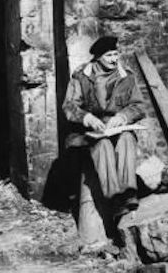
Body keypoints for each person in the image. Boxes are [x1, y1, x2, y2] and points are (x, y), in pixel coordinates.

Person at [62, 35, 145, 220]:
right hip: (89, 131)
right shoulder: (82, 75)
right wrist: (87, 117)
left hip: (117, 127)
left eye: (116, 54)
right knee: (103, 145)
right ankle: (114, 199)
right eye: (109, 55)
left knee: (127, 139)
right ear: (98, 57)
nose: (115, 59)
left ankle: (128, 193)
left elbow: (138, 106)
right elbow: (69, 106)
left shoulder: (126, 76)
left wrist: (123, 116)